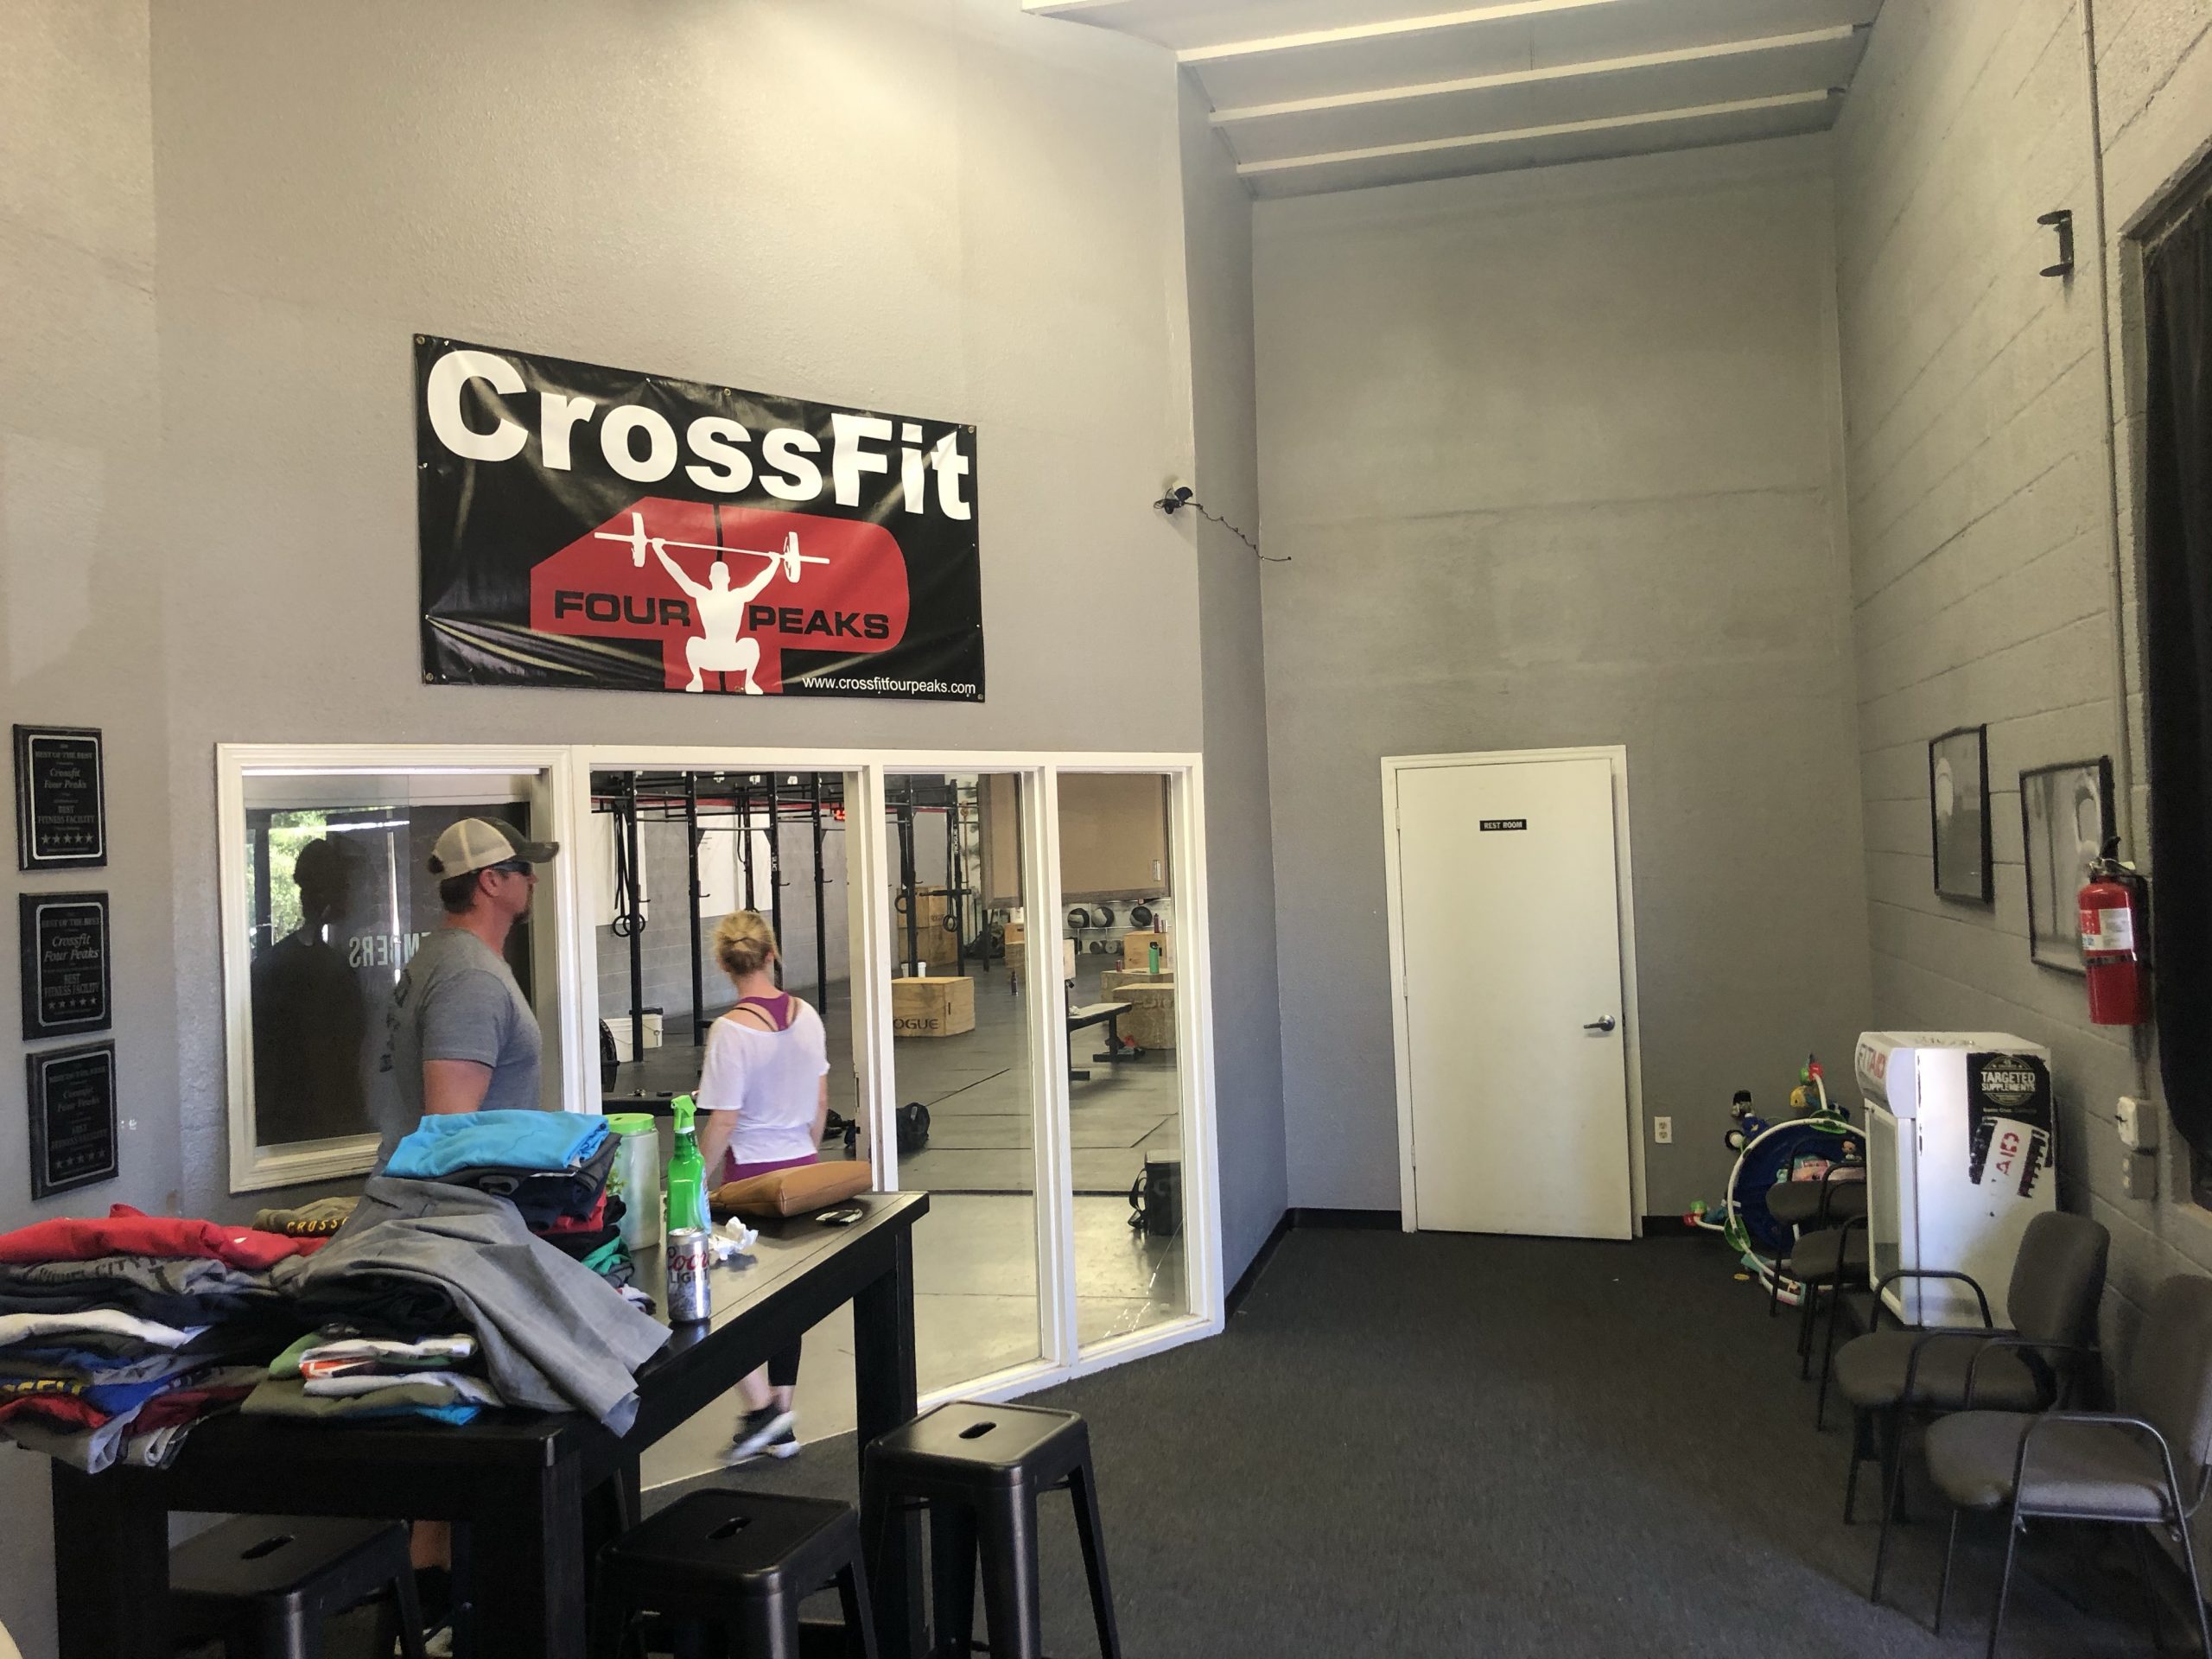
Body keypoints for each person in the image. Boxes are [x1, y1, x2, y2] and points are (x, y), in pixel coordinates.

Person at [693, 909, 830, 1463]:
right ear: (772, 954)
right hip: (802, 1172)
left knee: (719, 1301)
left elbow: (723, 1121)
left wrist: (692, 1184)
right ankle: (781, 1417)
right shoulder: (808, 1016)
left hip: (750, 1181)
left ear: (724, 964)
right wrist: (807, 1157)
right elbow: (820, 1105)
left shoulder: (729, 1032)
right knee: (784, 1300)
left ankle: (761, 1410)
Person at [371, 816, 560, 1166]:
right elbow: (449, 1136)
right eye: (524, 869)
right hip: (458, 1196)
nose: (533, 879)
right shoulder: (471, 978)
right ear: (491, 881)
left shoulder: (440, 955)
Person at [251, 836, 367, 1143]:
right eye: (346, 888)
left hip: (286, 1123)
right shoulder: (331, 970)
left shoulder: (271, 964)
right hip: (319, 1123)